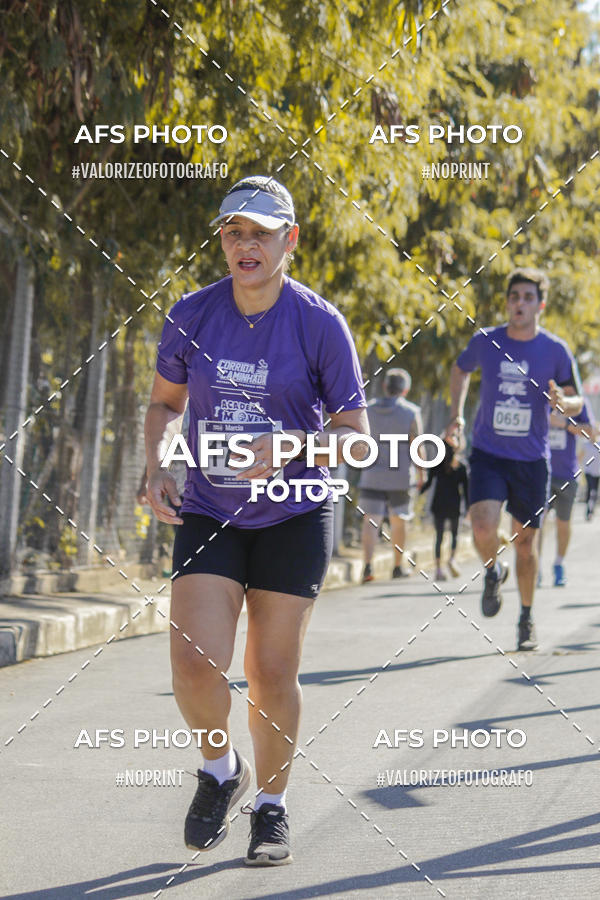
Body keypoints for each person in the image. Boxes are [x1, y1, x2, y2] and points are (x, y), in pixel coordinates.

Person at [144, 176, 368, 866]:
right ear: (222, 240)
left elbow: (356, 437)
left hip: (296, 513)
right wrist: (158, 464)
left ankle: (270, 806)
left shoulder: (320, 323)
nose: (246, 245)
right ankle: (221, 769)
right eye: (234, 232)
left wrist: (293, 444)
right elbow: (164, 404)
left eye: (261, 233)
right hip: (211, 507)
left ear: (289, 240)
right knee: (192, 663)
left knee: (271, 672)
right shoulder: (192, 313)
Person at [447, 267, 583, 651]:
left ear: (540, 305)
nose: (518, 304)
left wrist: (564, 402)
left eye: (527, 298)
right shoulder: (485, 340)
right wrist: (457, 415)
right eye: (513, 297)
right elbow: (460, 371)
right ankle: (493, 570)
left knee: (526, 543)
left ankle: (526, 616)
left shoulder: (555, 350)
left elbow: (577, 400)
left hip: (531, 461)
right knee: (482, 527)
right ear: (507, 303)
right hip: (489, 454)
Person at [358, 368, 423, 582]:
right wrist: (422, 474)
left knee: (370, 521)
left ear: (386, 386)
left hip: (371, 474)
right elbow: (417, 446)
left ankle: (367, 567)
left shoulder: (369, 409)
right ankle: (397, 566)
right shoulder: (411, 412)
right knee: (399, 521)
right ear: (405, 390)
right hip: (400, 476)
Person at [539, 402, 592, 586]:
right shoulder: (541, 395)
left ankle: (559, 563)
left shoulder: (577, 402)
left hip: (566, 475)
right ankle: (535, 565)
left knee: (563, 524)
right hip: (539, 471)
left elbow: (591, 432)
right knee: (538, 522)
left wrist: (564, 424)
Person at [419, 433, 468, 581]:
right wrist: (469, 508)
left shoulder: (436, 465)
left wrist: (419, 490)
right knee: (454, 535)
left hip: (439, 505)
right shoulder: (461, 467)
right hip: (454, 505)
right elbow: (466, 490)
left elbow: (427, 484)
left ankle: (438, 569)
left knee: (439, 537)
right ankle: (452, 559)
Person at [582, 428, 600, 520]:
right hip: (588, 471)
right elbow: (580, 456)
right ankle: (588, 512)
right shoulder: (586, 444)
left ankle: (592, 510)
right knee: (590, 491)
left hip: (597, 472)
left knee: (595, 492)